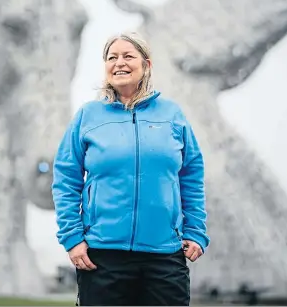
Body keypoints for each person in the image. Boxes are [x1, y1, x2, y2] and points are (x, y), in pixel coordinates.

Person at [51, 31, 209, 306]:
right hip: (101, 257)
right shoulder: (88, 116)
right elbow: (66, 179)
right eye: (112, 57)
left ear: (146, 65)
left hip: (164, 256)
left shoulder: (172, 115)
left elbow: (191, 176)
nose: (119, 62)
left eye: (128, 56)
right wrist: (72, 238)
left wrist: (195, 231)